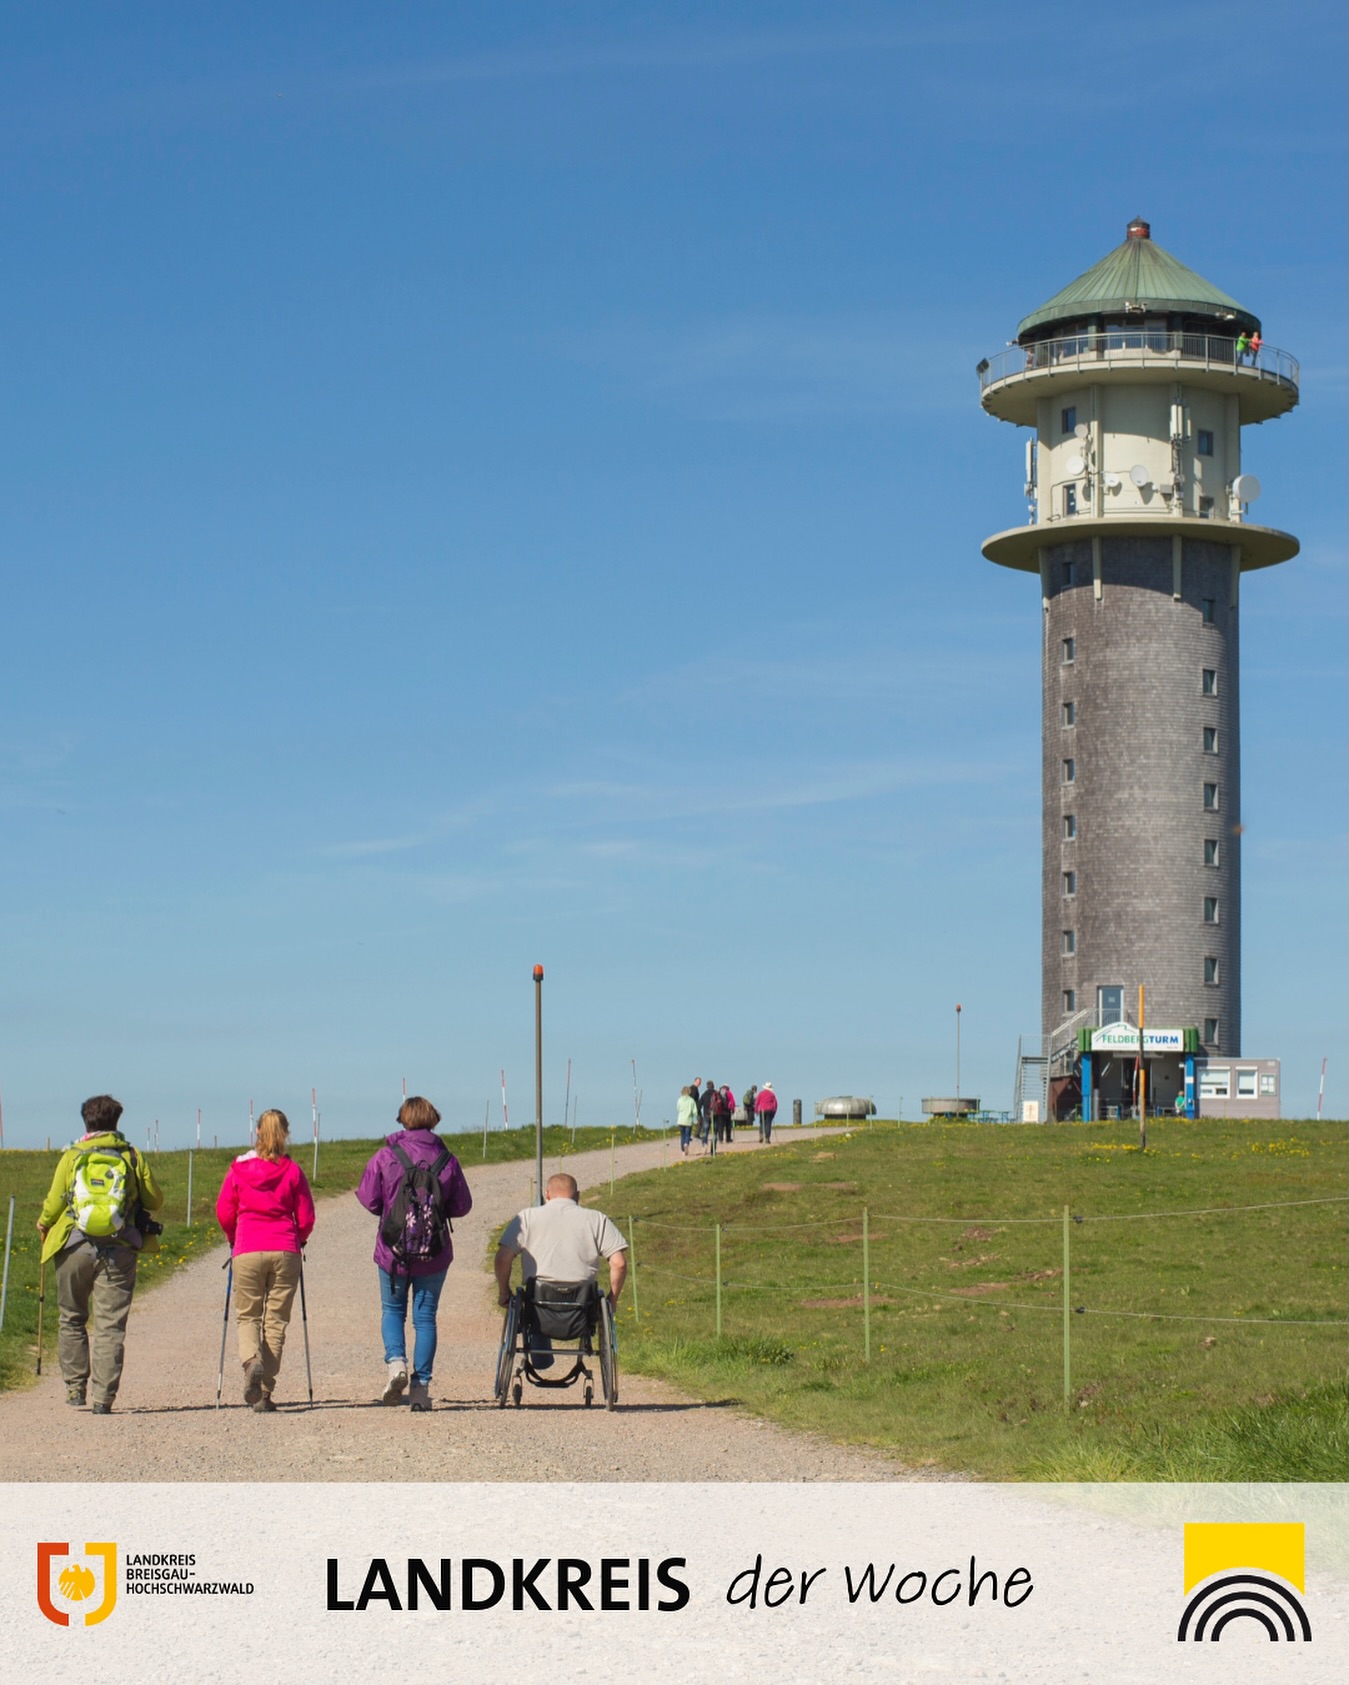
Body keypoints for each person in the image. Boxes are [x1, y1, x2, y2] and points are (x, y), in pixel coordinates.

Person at [36, 1095, 164, 1414]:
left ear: (86, 1122)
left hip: (74, 1246)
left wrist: (43, 1223)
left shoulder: (73, 1155)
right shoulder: (132, 1155)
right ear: (116, 1121)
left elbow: (54, 1201)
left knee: (71, 1316)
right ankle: (103, 1399)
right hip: (119, 1248)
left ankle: (75, 1387)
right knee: (110, 1325)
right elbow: (154, 1200)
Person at [356, 1096, 472, 1412]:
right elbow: (462, 1206)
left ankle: (396, 1365)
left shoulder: (386, 1156)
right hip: (434, 1252)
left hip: (393, 1251)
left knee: (392, 1311)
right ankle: (420, 1388)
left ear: (403, 1120)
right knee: (425, 1318)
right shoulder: (447, 1159)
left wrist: (392, 1214)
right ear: (434, 1120)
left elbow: (368, 1199)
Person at [215, 1108, 315, 1412]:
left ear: (257, 1132)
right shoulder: (293, 1171)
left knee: (248, 1316)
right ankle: (265, 1393)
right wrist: (299, 1238)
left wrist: (234, 1237)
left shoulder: (238, 1169)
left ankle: (252, 1361)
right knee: (276, 1322)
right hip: (285, 1248)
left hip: (247, 1247)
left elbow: (224, 1211)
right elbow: (307, 1217)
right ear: (285, 1133)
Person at [494, 1174, 628, 1366]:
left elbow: (502, 1258)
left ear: (547, 1194)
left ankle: (539, 1349)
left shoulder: (527, 1217)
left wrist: (503, 1292)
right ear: (578, 1196)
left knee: (531, 1301)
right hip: (581, 1306)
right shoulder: (597, 1219)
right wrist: (612, 1301)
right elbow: (619, 1263)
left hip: (538, 1305)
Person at [676, 1085, 698, 1155]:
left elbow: (678, 1109)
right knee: (687, 1135)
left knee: (682, 1135)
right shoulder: (691, 1101)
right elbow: (695, 1111)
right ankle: (686, 1144)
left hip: (681, 1120)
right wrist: (696, 1118)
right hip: (688, 1121)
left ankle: (683, 1150)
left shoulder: (679, 1100)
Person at [699, 1080, 718, 1155]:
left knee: (705, 1132)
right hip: (716, 1116)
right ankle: (713, 1150)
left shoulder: (704, 1094)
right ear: (713, 1086)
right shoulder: (717, 1094)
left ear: (707, 1087)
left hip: (706, 1115)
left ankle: (705, 1144)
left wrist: (699, 1115)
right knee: (715, 1133)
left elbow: (699, 1105)